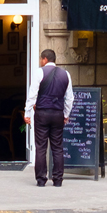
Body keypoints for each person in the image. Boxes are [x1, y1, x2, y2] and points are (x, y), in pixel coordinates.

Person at [25, 49, 73, 187]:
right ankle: (58, 180)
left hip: (42, 113)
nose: (41, 61)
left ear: (45, 59)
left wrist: (27, 113)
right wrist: (66, 114)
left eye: (41, 59)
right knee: (57, 147)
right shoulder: (66, 74)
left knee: (41, 147)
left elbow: (32, 95)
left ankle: (41, 179)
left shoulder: (39, 72)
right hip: (58, 113)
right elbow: (69, 98)